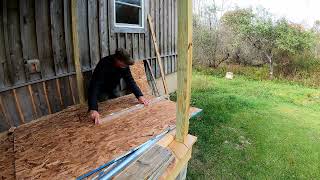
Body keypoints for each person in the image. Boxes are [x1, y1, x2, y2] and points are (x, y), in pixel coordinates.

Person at [88, 48, 149, 124]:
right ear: (117, 60)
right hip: (101, 89)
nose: (126, 66)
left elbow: (130, 81)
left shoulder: (125, 65)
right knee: (103, 108)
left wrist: (139, 96)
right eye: (124, 64)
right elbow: (94, 85)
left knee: (116, 105)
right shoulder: (104, 63)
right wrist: (93, 108)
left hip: (113, 87)